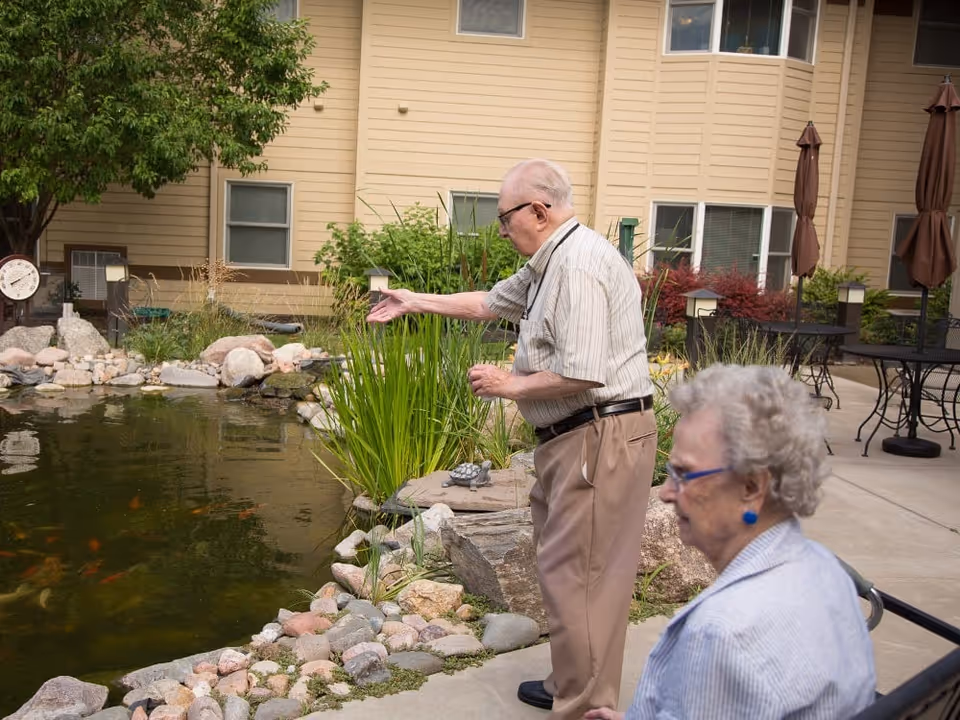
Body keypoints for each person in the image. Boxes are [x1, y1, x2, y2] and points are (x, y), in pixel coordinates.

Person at [367, 158, 657, 719]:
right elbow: (489, 303)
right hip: (575, 438)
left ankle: (587, 706)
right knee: (563, 567)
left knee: (586, 577)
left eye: (505, 219)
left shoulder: (576, 265)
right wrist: (414, 300)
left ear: (539, 211)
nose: (501, 231)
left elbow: (585, 368)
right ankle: (573, 679)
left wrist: (510, 384)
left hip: (599, 437)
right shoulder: (550, 261)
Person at [584, 364, 876, 720]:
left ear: (752, 487)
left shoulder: (724, 632)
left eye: (684, 474)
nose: (665, 492)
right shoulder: (825, 569)